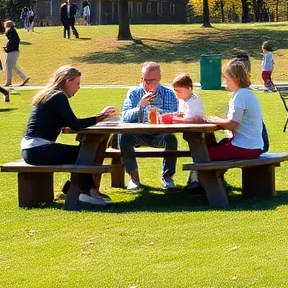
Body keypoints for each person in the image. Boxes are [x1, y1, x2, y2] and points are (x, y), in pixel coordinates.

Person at [21, 66, 117, 206]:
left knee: (82, 152)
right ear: (67, 81)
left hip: (32, 149)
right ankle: (86, 192)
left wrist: (97, 118)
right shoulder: (58, 96)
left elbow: (67, 123)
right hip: (38, 150)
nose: (79, 87)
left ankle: (80, 189)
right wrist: (99, 118)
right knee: (85, 152)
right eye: (77, 83)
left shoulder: (50, 95)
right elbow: (74, 124)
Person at [118, 61, 180, 190]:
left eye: (152, 80)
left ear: (159, 79)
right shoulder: (134, 92)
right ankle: (134, 178)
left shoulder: (169, 93)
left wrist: (158, 113)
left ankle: (167, 177)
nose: (148, 84)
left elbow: (175, 116)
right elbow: (123, 117)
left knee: (171, 139)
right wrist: (140, 107)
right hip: (138, 134)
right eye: (145, 80)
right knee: (123, 137)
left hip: (159, 134)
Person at [204, 61, 266, 169]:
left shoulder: (240, 95)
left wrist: (215, 120)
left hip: (245, 146)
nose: (225, 82)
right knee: (214, 148)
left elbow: (232, 124)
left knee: (204, 155)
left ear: (235, 78)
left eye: (226, 78)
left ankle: (199, 183)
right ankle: (216, 182)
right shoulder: (245, 93)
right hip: (255, 146)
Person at [2, 20, 30, 87]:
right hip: (15, 51)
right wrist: (7, 47)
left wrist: (7, 48)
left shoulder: (11, 31)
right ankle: (24, 77)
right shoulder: (13, 31)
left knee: (8, 65)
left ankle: (9, 82)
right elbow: (13, 40)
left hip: (12, 51)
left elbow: (11, 41)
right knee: (13, 66)